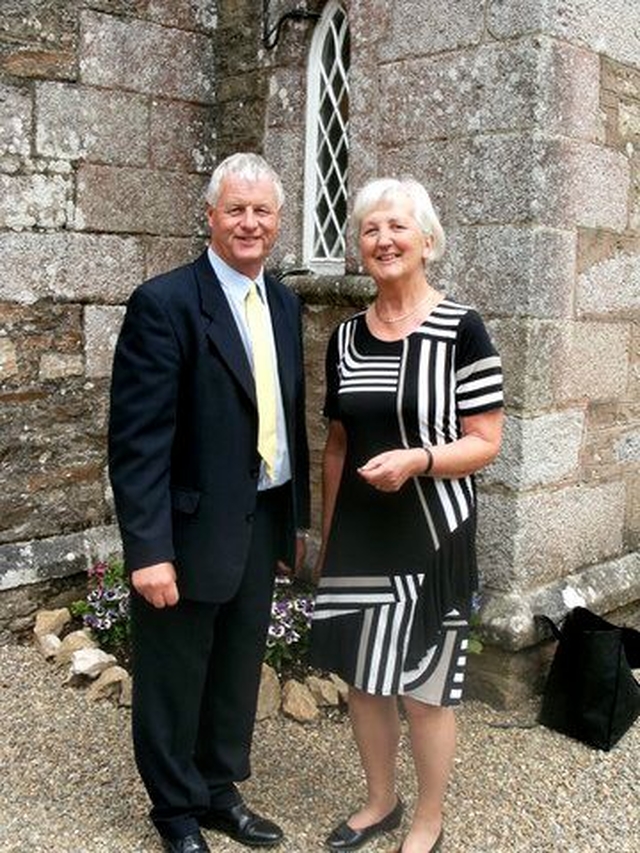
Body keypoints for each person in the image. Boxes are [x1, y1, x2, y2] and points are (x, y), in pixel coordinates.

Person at [108, 153, 310, 853]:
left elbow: (287, 420)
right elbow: (137, 443)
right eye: (236, 209)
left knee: (234, 668)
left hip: (259, 519)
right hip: (187, 529)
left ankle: (219, 791)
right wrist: (149, 551)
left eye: (262, 211)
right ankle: (175, 811)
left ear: (278, 222)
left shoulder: (285, 303)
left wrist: (292, 525)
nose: (249, 223)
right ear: (211, 216)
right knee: (173, 674)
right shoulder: (164, 303)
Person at [310, 177, 504, 853]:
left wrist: (417, 459)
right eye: (370, 229)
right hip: (361, 534)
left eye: (397, 227)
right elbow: (336, 446)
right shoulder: (343, 339)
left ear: (426, 240)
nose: (384, 240)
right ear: (358, 245)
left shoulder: (462, 328)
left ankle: (428, 817)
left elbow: (485, 441)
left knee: (426, 689)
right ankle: (379, 801)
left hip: (433, 534)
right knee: (365, 680)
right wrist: (327, 536)